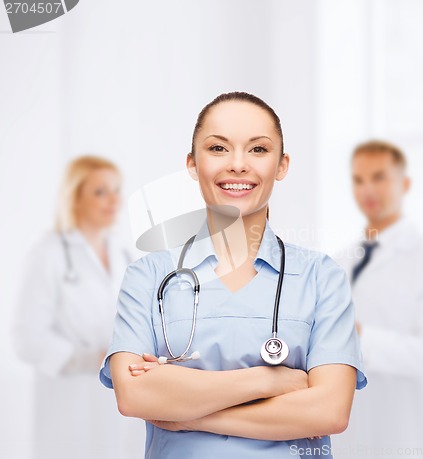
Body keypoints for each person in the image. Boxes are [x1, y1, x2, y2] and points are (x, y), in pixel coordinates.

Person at [99, 92, 367, 458]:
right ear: (193, 165)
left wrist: (191, 414)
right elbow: (134, 395)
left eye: (258, 149)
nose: (238, 165)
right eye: (218, 149)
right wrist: (270, 379)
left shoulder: (321, 277)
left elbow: (329, 411)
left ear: (282, 165)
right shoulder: (149, 276)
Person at [331, 140, 423, 459]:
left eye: (379, 177)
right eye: (358, 179)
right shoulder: (339, 262)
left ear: (404, 184)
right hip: (343, 434)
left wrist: (361, 339)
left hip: (399, 436)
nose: (368, 190)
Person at [12, 155, 144, 459]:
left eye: (116, 190)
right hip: (67, 399)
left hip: (115, 399)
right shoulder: (48, 250)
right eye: (100, 192)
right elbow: (26, 339)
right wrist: (89, 359)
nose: (114, 200)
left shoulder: (123, 252)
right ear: (75, 198)